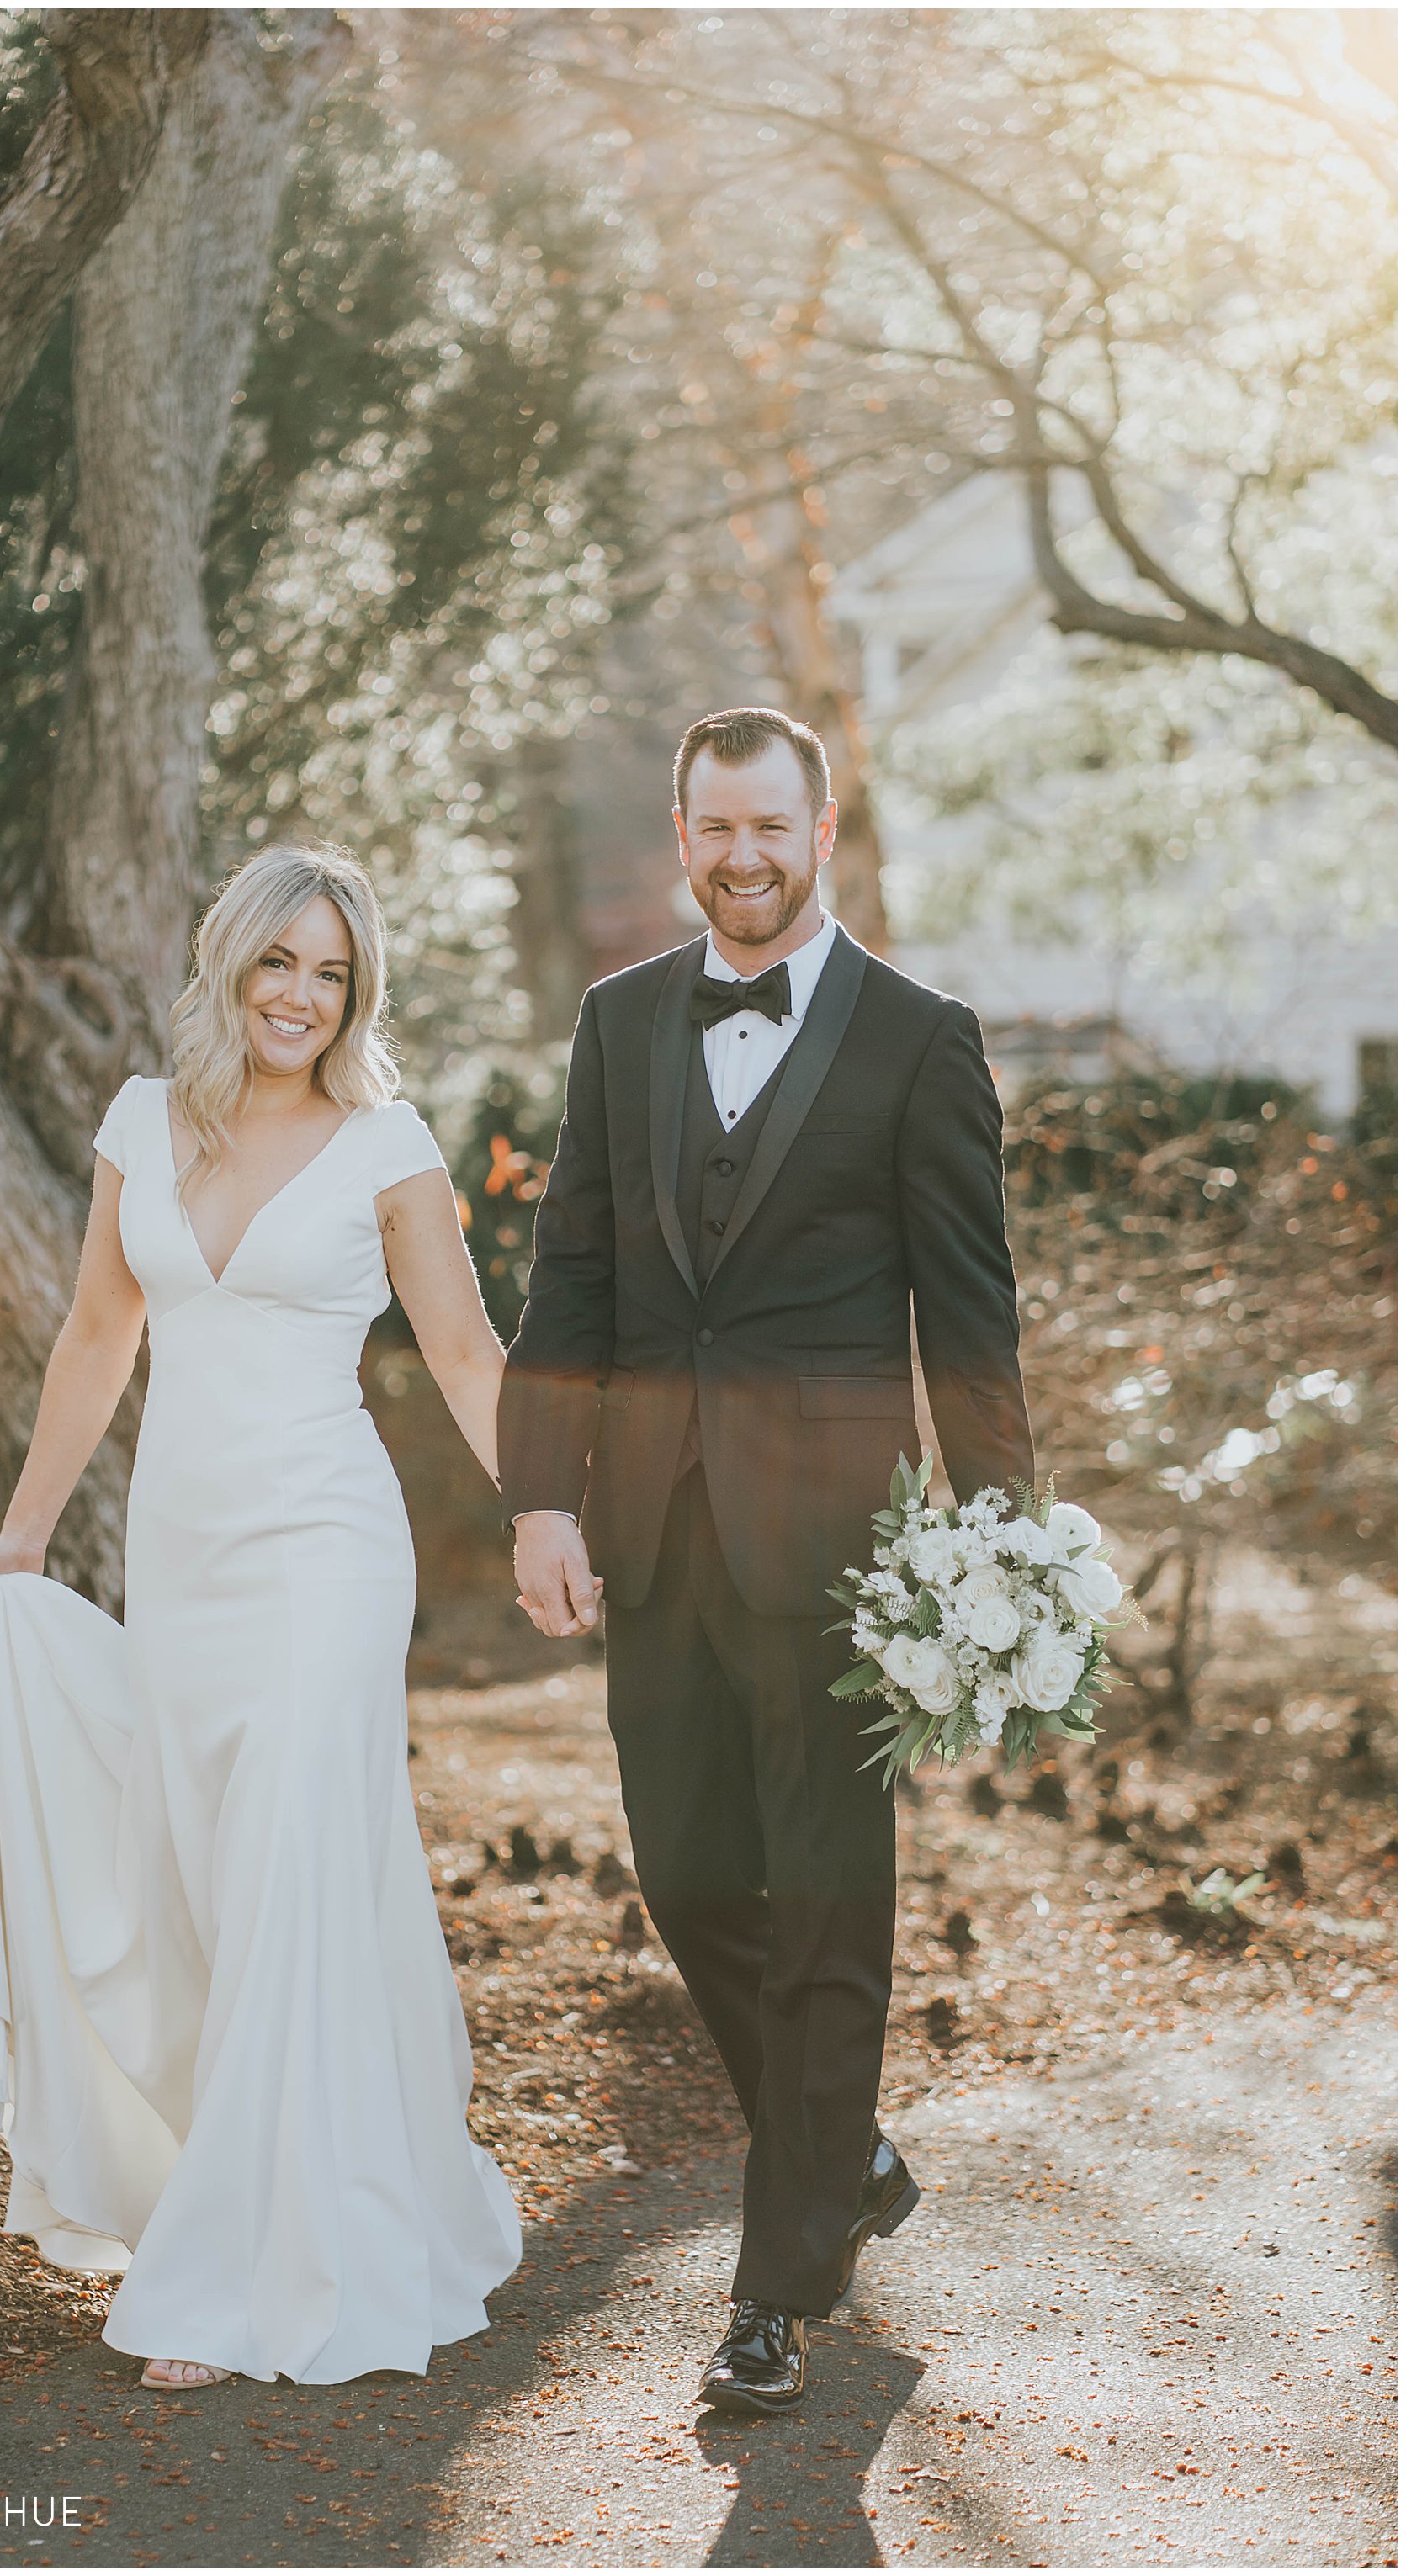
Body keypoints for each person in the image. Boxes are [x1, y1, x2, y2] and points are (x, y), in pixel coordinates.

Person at [0, 843, 521, 2390]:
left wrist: (557, 1509)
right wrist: (27, 1529)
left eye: (332, 973)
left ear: (355, 991)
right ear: (229, 966)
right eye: (279, 965)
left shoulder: (386, 1141)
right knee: (207, 1880)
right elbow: (100, 1330)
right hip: (182, 1561)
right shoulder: (143, 1121)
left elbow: (462, 1352)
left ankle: (258, 2268)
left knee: (295, 1870)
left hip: (328, 1549)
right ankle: (252, 2192)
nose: (302, 998)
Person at [499, 708, 1033, 2416]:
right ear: (683, 835)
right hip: (652, 1530)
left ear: (822, 831)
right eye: (711, 828)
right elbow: (568, 1268)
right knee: (686, 1876)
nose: (740, 855)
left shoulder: (920, 1039)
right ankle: (842, 2150)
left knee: (825, 1904)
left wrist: (999, 1540)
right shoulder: (620, 1021)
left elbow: (968, 1314)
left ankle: (778, 2283)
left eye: (768, 827)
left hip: (839, 1556)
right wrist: (540, 1495)